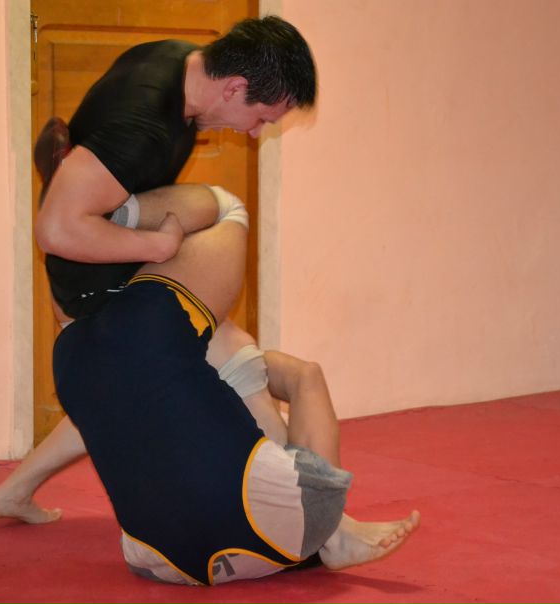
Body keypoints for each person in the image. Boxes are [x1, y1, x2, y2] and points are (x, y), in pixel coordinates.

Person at [0, 14, 318, 523]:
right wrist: (154, 246)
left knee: (125, 389)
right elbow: (53, 228)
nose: (254, 133)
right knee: (233, 354)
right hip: (96, 286)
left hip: (98, 270)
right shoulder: (144, 127)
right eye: (262, 118)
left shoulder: (174, 58)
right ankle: (313, 516)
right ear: (234, 87)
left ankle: (12, 492)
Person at [52, 195, 418, 585]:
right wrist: (142, 221)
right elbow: (218, 215)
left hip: (159, 561)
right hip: (275, 535)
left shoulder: (65, 357)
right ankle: (335, 533)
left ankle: (322, 528)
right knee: (230, 211)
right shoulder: (163, 311)